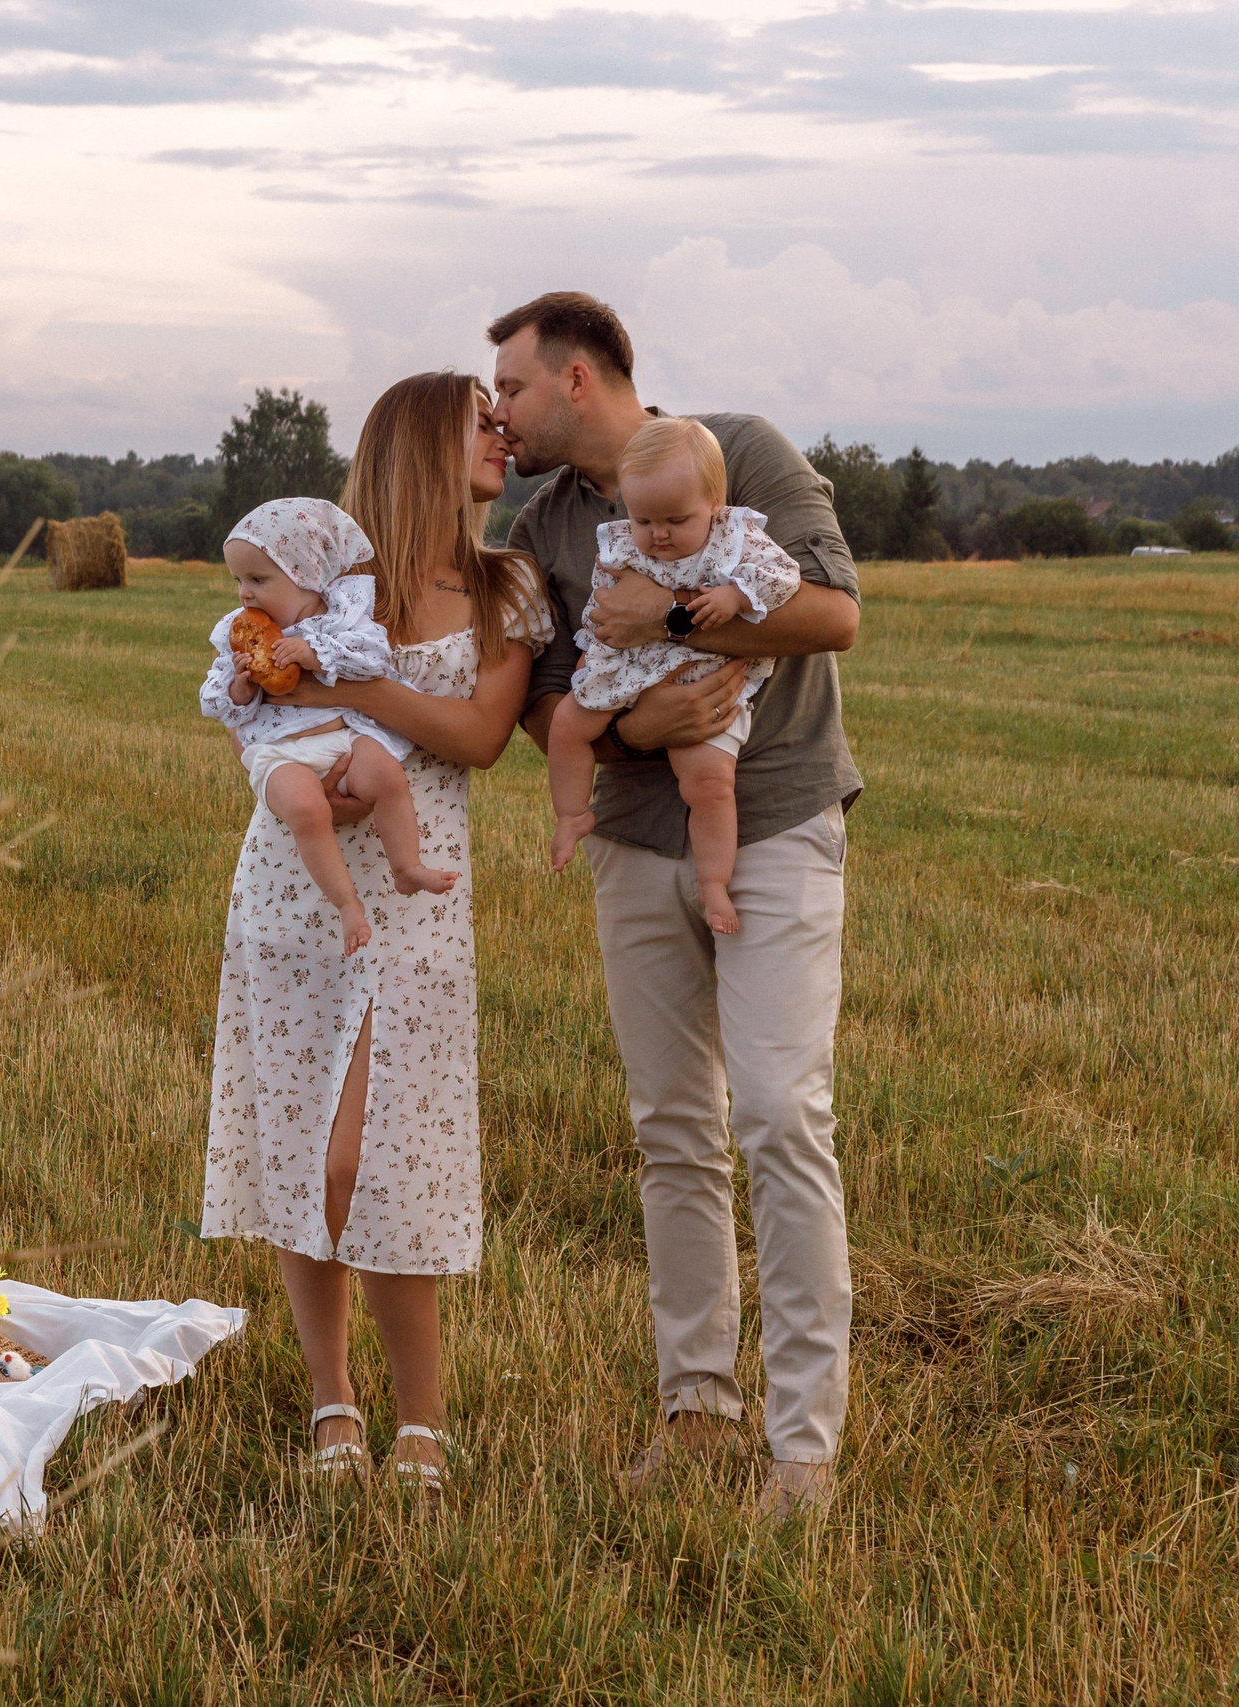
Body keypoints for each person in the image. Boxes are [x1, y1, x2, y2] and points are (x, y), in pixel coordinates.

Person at [489, 290, 862, 1520]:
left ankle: (801, 1449)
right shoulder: (542, 526)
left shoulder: (738, 451)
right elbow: (546, 701)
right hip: (633, 840)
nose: (501, 412)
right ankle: (695, 1413)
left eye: (513, 387)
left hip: (778, 822)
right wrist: (637, 726)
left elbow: (833, 613)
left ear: (578, 377)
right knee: (670, 1131)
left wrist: (675, 615)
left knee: (779, 1115)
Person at [202, 371, 552, 1490]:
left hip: (415, 896)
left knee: (382, 1155)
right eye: (478, 424)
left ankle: (422, 1418)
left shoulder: (506, 586)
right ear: (417, 446)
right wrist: (300, 732)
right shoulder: (318, 585)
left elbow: (479, 736)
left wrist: (350, 697)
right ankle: (332, 1399)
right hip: (295, 889)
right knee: (310, 1154)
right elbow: (248, 704)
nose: (501, 436)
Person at [545, 417, 802, 933]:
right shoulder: (622, 544)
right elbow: (603, 605)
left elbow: (783, 576)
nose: (657, 534)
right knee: (567, 726)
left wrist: (735, 595)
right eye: (643, 519)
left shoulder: (735, 538)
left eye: (675, 519)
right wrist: (590, 650)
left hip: (697, 675)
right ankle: (572, 814)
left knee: (708, 784)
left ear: (714, 502)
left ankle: (714, 884)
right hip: (625, 664)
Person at [200, 498, 459, 955]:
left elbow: (373, 660)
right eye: (238, 580)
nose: (244, 594)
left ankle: (406, 866)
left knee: (386, 775)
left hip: (344, 738)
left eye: (258, 579)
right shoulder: (239, 638)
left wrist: (315, 655)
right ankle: (347, 904)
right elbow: (215, 702)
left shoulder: (342, 620)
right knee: (307, 810)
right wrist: (240, 686)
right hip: (279, 753)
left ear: (307, 574)